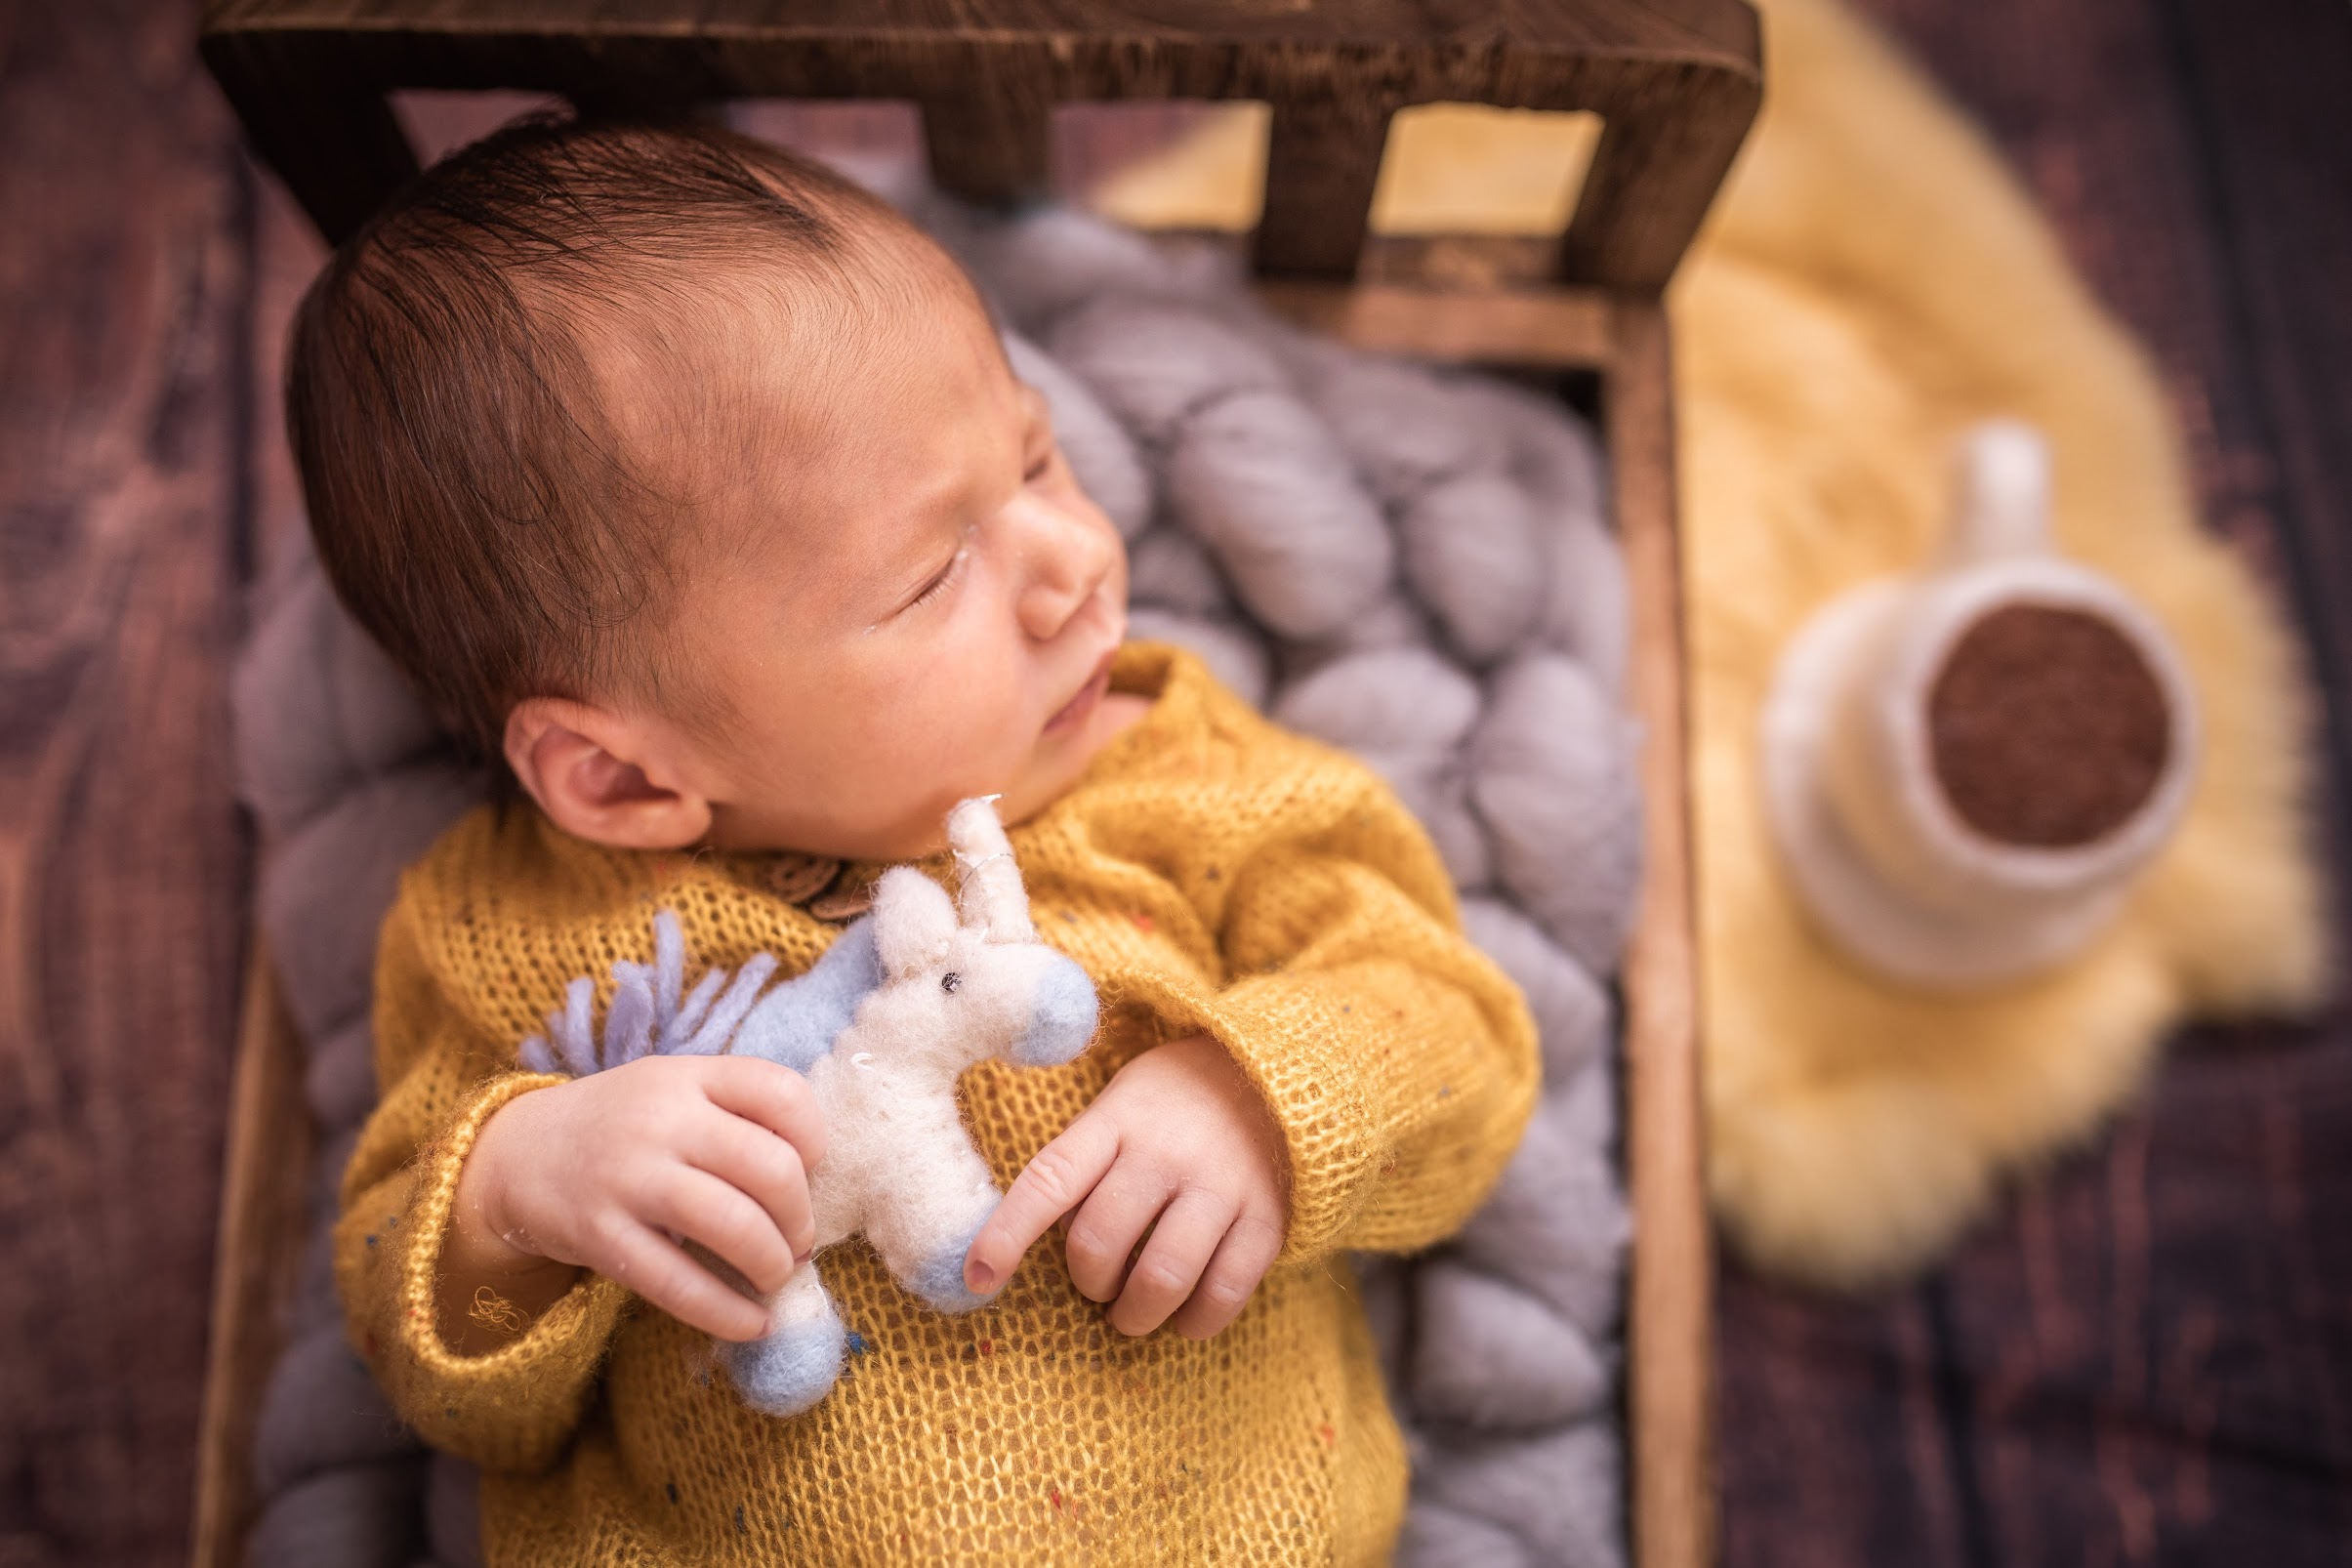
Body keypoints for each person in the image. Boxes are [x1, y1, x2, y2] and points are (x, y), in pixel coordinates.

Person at [294, 112, 1538, 1564]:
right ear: (623, 780)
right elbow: (415, 1328)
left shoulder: (1185, 775)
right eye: (934, 568)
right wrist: (520, 1186)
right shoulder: (513, 928)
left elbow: (1451, 1025)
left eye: (1037, 456)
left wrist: (1261, 1101)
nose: (1073, 559)